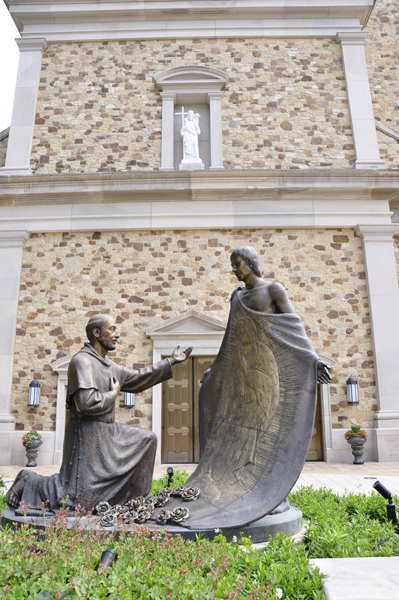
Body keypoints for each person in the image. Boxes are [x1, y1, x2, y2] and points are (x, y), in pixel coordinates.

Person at [7, 315, 192, 514]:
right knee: (77, 501)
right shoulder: (82, 361)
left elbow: (138, 378)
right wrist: (113, 394)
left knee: (148, 439)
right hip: (87, 435)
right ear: (96, 333)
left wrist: (170, 362)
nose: (117, 335)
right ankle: (29, 480)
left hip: (108, 432)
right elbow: (87, 404)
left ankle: (139, 500)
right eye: (112, 329)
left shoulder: (109, 366)